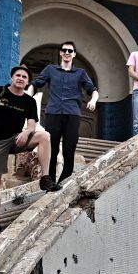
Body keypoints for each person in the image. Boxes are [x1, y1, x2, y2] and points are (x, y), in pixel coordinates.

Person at [0, 65, 57, 234]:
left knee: (45, 136)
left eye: (24, 77)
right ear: (12, 77)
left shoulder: (29, 101)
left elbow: (32, 123)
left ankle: (45, 178)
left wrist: (26, 131)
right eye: (18, 75)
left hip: (16, 139)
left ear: (27, 82)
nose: (20, 78)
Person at [33, 42, 99, 185]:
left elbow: (92, 89)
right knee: (53, 148)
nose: (67, 52)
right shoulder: (51, 69)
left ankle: (64, 182)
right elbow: (36, 83)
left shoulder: (80, 73)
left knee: (69, 149)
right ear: (61, 53)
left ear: (74, 54)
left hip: (72, 114)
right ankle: (49, 182)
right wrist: (27, 96)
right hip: (53, 113)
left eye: (70, 50)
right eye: (65, 50)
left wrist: (93, 100)